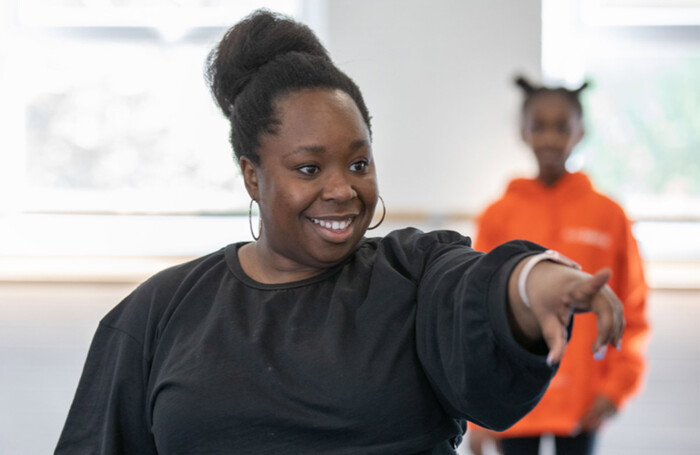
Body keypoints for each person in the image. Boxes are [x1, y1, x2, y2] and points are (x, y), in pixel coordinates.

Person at [55, 12, 624, 455]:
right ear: (252, 175)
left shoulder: (415, 272)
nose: (341, 190)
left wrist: (533, 284)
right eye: (308, 168)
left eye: (358, 164)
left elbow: (479, 287)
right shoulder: (158, 312)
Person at [467, 77, 649, 455]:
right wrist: (477, 412)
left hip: (584, 403)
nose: (549, 138)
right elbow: (477, 313)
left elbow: (631, 307)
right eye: (539, 126)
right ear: (523, 132)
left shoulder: (609, 215)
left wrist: (617, 388)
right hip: (514, 400)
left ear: (580, 132)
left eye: (561, 127)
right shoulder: (498, 216)